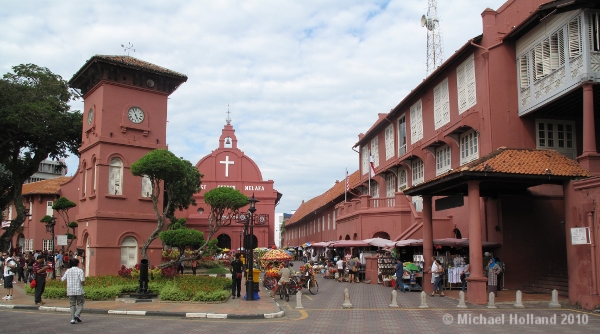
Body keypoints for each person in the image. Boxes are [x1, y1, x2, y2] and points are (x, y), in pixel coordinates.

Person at [61, 258, 85, 324]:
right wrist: (84, 284)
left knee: (72, 305)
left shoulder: (68, 271)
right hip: (78, 290)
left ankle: (72, 319)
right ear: (77, 264)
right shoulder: (80, 271)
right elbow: (82, 280)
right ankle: (76, 315)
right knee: (80, 303)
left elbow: (62, 279)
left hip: (70, 290)